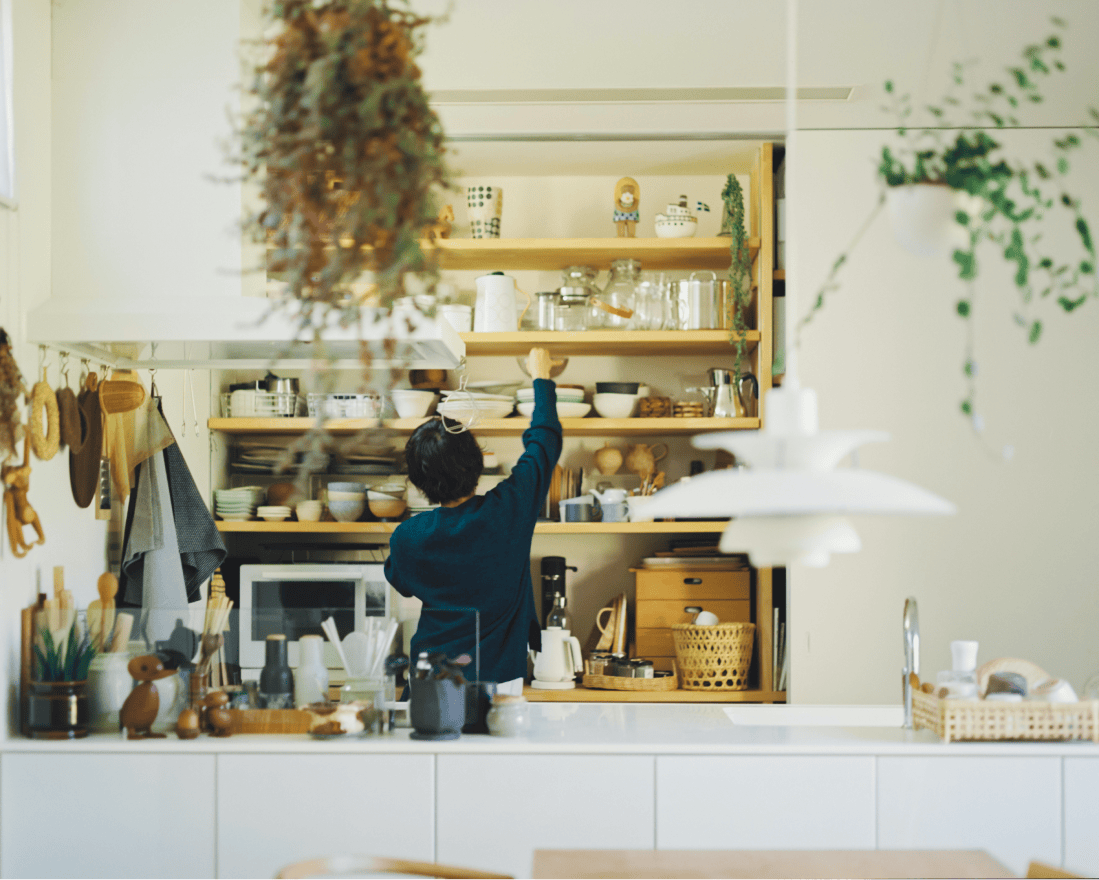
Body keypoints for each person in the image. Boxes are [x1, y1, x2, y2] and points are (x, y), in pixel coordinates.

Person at [384, 347, 562, 695]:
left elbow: (399, 579)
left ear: (419, 483)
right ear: (477, 463)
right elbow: (545, 442)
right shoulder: (509, 510)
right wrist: (541, 378)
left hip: (428, 683)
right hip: (497, 687)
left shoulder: (407, 537)